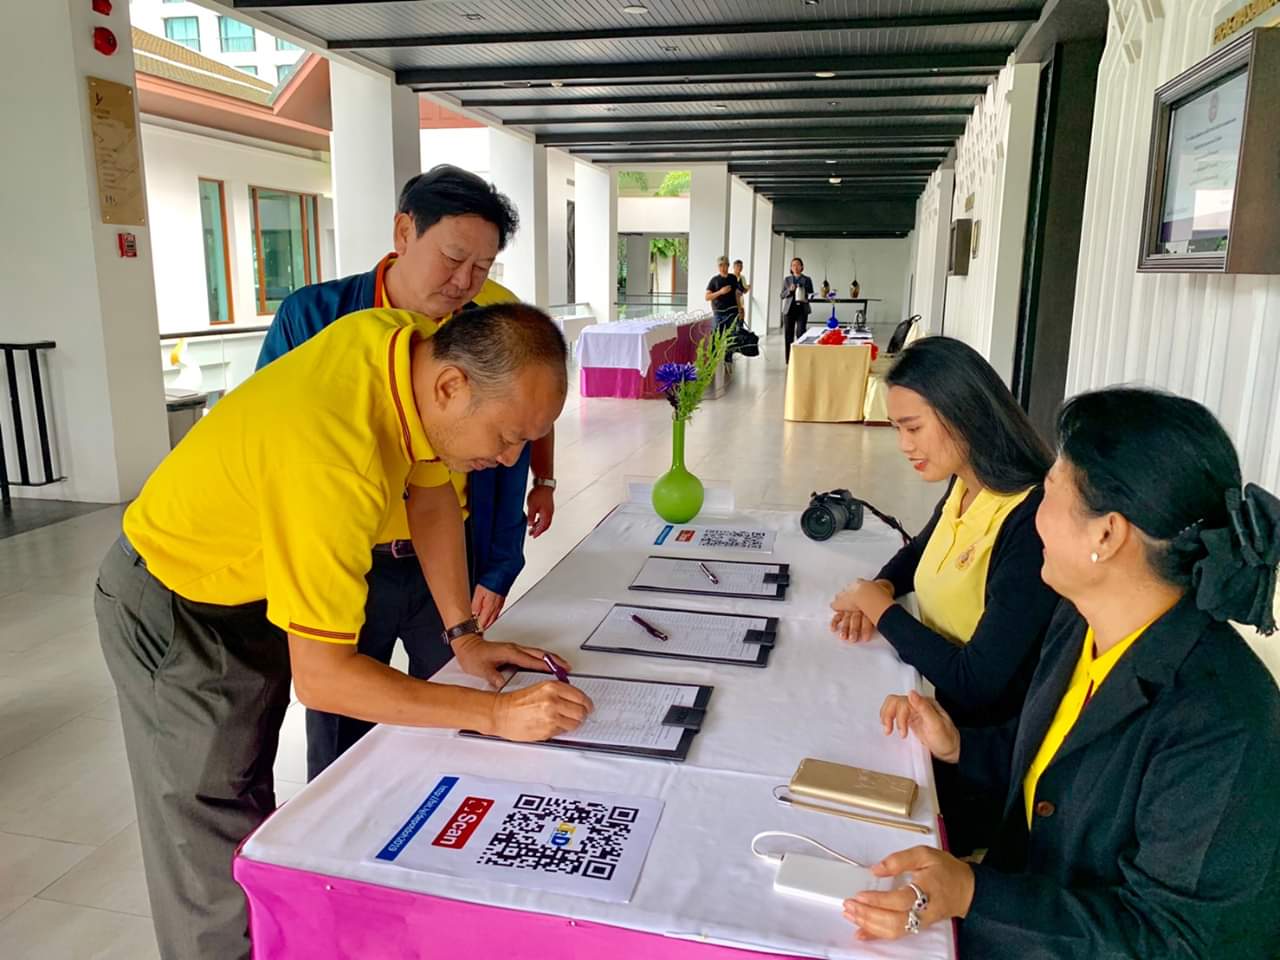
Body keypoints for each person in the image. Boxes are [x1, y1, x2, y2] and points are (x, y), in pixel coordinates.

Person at [95, 304, 594, 960]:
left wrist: (464, 635)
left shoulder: (403, 353)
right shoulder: (332, 456)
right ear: (451, 386)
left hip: (252, 587)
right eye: (505, 437)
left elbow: (430, 494)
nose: (509, 460)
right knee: (208, 835)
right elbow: (325, 680)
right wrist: (495, 716)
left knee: (246, 795)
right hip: (176, 602)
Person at [846, 388, 1280, 958]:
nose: (1034, 514)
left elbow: (1175, 941)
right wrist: (958, 746)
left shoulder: (1222, 724)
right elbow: (1059, 762)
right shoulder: (1082, 619)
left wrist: (973, 893)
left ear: (1107, 534)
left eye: (1050, 490)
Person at [257, 165, 561, 780]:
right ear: (404, 232)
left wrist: (499, 563)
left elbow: (513, 442)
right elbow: (275, 444)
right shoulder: (317, 317)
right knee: (342, 731)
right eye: (453, 258)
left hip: (440, 557)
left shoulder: (486, 324)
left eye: (482, 267)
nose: (464, 282)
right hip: (345, 559)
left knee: (461, 711)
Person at [829, 336, 1060, 854]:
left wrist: (879, 609)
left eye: (913, 428)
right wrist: (882, 587)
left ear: (965, 414)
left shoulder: (1030, 523)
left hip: (980, 756)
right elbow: (920, 551)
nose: (904, 445)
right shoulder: (967, 482)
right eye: (897, 429)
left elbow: (974, 681)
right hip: (936, 709)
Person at [779, 257, 814, 363]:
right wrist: (789, 290)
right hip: (789, 311)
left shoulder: (807, 279)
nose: (795, 267)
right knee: (788, 335)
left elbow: (811, 294)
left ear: (802, 267)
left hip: (802, 310)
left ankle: (800, 359)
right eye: (793, 265)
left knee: (801, 333)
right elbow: (782, 295)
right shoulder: (787, 280)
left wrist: (806, 296)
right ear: (791, 268)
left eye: (798, 264)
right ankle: (789, 360)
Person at [704, 255, 743, 334]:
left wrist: (740, 308)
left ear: (728, 265)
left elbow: (736, 294)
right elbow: (707, 297)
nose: (722, 267)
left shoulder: (733, 278)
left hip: (732, 312)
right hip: (719, 313)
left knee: (732, 336)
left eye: (724, 265)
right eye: (720, 265)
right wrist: (720, 292)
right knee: (718, 336)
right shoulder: (714, 280)